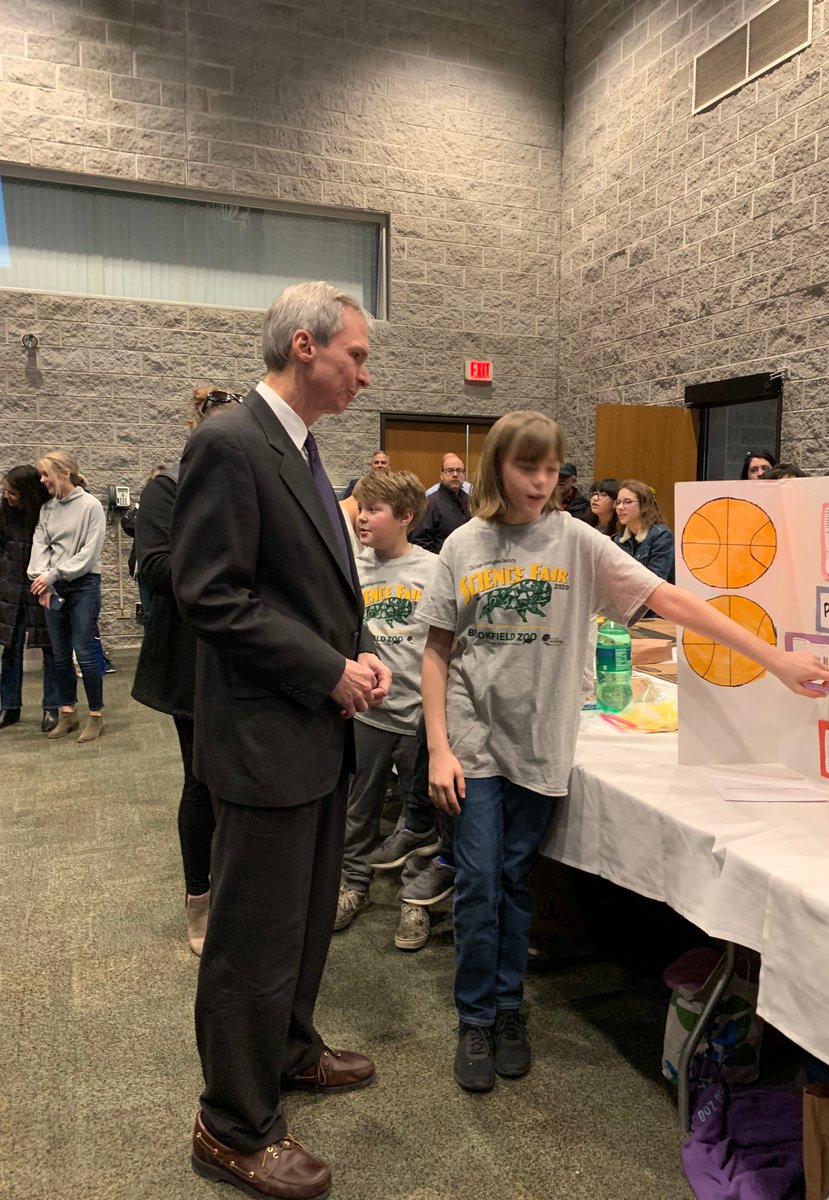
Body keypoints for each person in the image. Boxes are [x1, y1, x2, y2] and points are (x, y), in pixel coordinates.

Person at [417, 410, 829, 1095]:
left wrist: (774, 659)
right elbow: (437, 651)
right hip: (474, 745)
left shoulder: (578, 542)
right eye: (528, 467)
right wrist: (438, 747)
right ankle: (475, 1018)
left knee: (517, 883)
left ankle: (506, 1007)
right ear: (498, 467)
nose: (542, 481)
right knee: (478, 882)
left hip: (543, 747)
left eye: (552, 469)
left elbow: (673, 601)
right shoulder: (464, 545)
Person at [171, 282, 390, 1200]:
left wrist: (363, 650)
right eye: (357, 357)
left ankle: (291, 1050)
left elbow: (319, 589)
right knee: (251, 941)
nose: (364, 374)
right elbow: (212, 596)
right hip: (266, 738)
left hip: (311, 732)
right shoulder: (229, 443)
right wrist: (326, 670)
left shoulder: (302, 449)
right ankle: (231, 1124)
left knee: (299, 925)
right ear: (304, 346)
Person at [131, 389, 241, 956]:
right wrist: (229, 566)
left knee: (240, 780)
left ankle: (237, 892)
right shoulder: (166, 489)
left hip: (246, 654)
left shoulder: (250, 485)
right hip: (190, 659)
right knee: (201, 779)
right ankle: (198, 899)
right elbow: (153, 566)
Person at [335, 469, 440, 952]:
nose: (363, 518)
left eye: (374, 510)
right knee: (359, 807)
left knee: (423, 817)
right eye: (361, 508)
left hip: (421, 715)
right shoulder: (351, 568)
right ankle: (352, 885)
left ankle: (415, 901)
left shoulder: (434, 570)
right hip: (368, 713)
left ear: (405, 517)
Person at [27, 451, 106, 743]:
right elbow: (40, 546)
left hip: (84, 584)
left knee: (84, 653)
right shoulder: (47, 510)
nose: (43, 480)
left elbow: (89, 554)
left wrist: (54, 574)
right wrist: (41, 578)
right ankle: (68, 713)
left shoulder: (91, 506)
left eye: (47, 474)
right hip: (53, 587)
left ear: (65, 472)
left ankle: (96, 716)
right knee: (59, 656)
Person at [0, 466, 61, 732]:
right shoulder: (3, 510)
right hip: (10, 589)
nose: (6, 495)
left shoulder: (48, 511)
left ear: (27, 493)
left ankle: (52, 707)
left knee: (51, 648)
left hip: (42, 586)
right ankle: (9, 706)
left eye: (11, 492)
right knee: (11, 649)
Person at [120, 463, 167, 624]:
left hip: (164, 566)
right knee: (148, 614)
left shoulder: (171, 504)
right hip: (143, 567)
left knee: (165, 615)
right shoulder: (142, 504)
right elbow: (127, 524)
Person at [614, 479, 675, 583]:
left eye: (627, 502)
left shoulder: (661, 535)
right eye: (618, 502)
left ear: (644, 505)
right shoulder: (619, 539)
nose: (620, 507)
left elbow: (655, 581)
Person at [411, 452, 470, 553]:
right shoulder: (430, 503)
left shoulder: (471, 500)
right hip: (440, 563)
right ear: (442, 475)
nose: (455, 475)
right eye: (450, 471)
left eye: (459, 471)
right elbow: (420, 541)